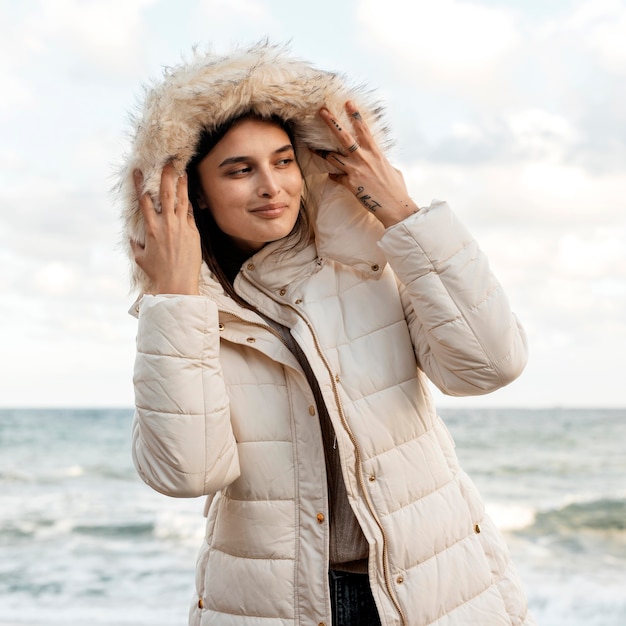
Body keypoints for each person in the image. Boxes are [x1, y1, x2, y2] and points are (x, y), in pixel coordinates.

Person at [119, 41, 534, 626]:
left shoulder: (368, 263)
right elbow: (186, 473)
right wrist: (174, 300)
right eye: (240, 170)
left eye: (284, 160)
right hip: (274, 608)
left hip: (443, 589)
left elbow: (491, 365)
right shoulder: (187, 314)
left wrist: (403, 214)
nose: (272, 186)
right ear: (195, 196)